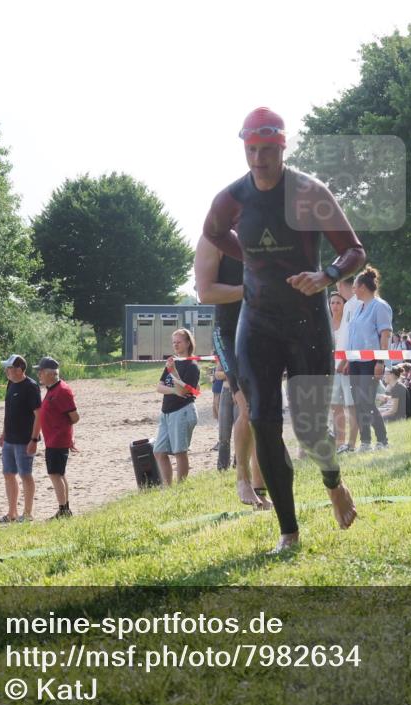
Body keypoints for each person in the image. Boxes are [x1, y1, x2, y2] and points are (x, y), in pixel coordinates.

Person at [202, 106, 361, 553]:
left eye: (267, 150)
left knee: (310, 425)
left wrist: (325, 276)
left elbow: (353, 250)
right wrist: (248, 260)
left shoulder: (310, 192)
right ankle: (288, 531)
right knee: (264, 421)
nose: (258, 160)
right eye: (251, 150)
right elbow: (212, 232)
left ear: (282, 147)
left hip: (306, 321)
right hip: (257, 323)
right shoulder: (231, 198)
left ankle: (333, 483)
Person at [195, 234, 268, 508]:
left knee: (263, 413)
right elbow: (206, 293)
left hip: (260, 331)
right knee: (247, 408)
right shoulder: (216, 238)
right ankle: (242, 479)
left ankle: (260, 488)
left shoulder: (266, 237)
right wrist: (250, 289)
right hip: (228, 333)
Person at [343, 266, 393, 451]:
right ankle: (365, 441)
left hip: (371, 362)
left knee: (367, 401)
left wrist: (380, 362)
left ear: (363, 286)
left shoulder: (380, 306)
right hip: (355, 362)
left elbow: (385, 335)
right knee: (358, 402)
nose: (353, 290)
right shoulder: (358, 309)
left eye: (355, 286)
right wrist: (349, 360)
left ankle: (382, 440)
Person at [0, 355, 41, 522]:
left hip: (25, 440)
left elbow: (39, 415)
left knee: (25, 475)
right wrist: (4, 433)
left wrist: (34, 439)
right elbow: (8, 412)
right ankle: (12, 513)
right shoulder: (10, 384)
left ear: (18, 370)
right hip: (9, 439)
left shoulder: (31, 386)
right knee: (8, 474)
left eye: (9, 368)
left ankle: (28, 513)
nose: (6, 371)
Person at [154, 328, 200, 485]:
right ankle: (168, 486)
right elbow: (159, 387)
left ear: (188, 343)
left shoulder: (192, 366)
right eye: (173, 342)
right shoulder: (173, 362)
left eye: (179, 342)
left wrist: (173, 372)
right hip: (166, 412)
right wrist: (173, 388)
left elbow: (182, 392)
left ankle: (181, 486)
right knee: (159, 451)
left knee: (180, 451)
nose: (175, 345)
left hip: (183, 411)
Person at [36, 357, 79, 519]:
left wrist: (67, 434)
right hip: (54, 439)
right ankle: (65, 509)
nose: (39, 374)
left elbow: (74, 417)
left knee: (55, 474)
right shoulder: (52, 389)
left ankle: (63, 510)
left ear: (51, 374)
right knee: (59, 474)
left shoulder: (62, 390)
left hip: (58, 439)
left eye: (41, 372)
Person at [333, 277, 360, 453]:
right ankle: (341, 442)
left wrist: (345, 360)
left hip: (348, 363)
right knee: (337, 405)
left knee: (351, 406)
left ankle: (351, 443)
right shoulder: (350, 304)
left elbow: (354, 338)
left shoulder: (355, 304)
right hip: (338, 364)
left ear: (341, 284)